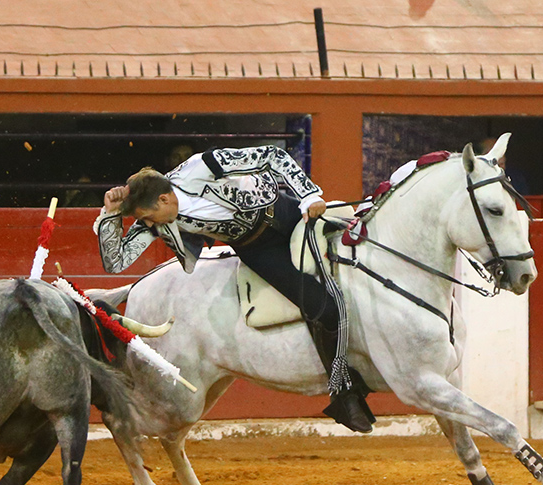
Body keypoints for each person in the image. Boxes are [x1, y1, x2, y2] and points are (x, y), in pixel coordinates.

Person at [95, 145, 376, 433]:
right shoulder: (158, 220)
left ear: (164, 198)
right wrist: (110, 214)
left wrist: (309, 195)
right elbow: (116, 262)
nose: (148, 224)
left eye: (147, 217)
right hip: (259, 249)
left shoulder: (203, 166)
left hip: (286, 213)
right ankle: (343, 393)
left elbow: (273, 156)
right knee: (323, 307)